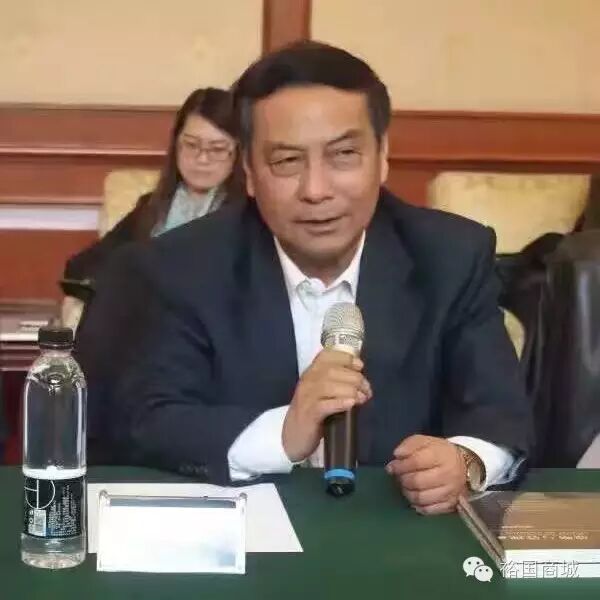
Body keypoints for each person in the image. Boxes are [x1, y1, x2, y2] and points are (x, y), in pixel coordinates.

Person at [85, 41, 532, 515]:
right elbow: (148, 422)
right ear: (249, 172)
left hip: (396, 532)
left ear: (382, 156)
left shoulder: (450, 256)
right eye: (287, 161)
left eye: (343, 155)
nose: (316, 190)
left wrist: (466, 460)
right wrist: (282, 433)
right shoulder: (180, 266)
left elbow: (500, 413)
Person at [63, 87, 241, 290]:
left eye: (217, 149)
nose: (202, 159)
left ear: (238, 152)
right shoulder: (151, 207)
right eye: (191, 145)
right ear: (176, 145)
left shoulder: (247, 215)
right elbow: (81, 266)